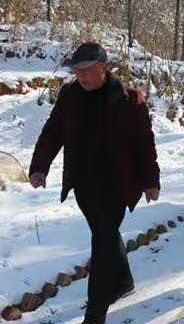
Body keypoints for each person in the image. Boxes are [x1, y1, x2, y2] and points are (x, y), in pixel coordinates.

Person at [29, 42, 160, 324]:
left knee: (102, 240)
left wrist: (151, 181)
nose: (81, 77)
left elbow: (144, 144)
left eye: (85, 70)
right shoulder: (70, 96)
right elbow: (53, 132)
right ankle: (123, 281)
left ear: (102, 68)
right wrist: (40, 166)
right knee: (106, 234)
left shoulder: (129, 99)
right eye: (76, 71)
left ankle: (95, 312)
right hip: (84, 182)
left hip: (117, 183)